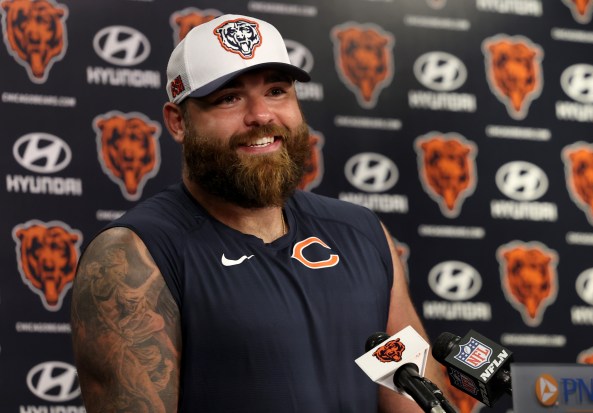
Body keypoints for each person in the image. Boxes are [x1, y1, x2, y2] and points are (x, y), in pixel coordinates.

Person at [71, 13, 448, 413]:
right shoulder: (134, 256)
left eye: (276, 91)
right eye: (229, 98)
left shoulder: (361, 234)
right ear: (178, 122)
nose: (261, 115)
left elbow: (413, 396)